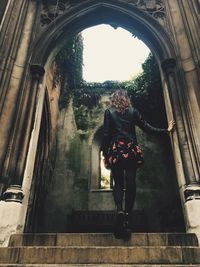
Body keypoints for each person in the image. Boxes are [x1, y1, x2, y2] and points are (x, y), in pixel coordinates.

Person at [101, 90, 175, 239]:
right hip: (130, 150)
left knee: (118, 182)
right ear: (126, 99)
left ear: (113, 100)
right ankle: (127, 213)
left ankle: (119, 209)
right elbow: (147, 127)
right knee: (131, 181)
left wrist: (105, 152)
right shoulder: (133, 112)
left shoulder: (109, 112)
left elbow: (106, 134)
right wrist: (165, 130)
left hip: (116, 150)